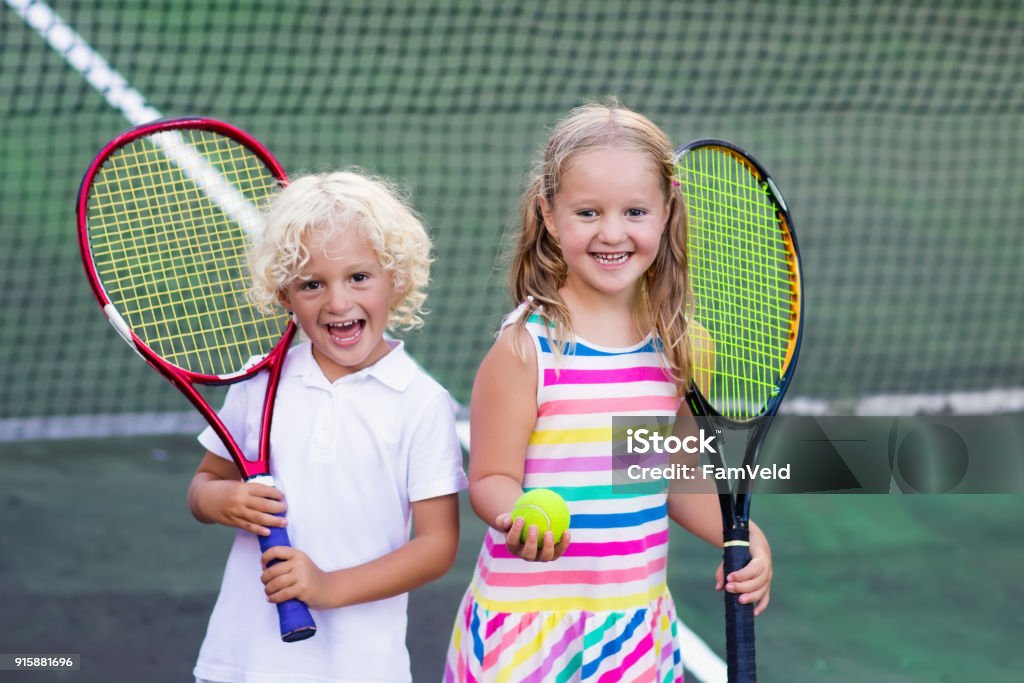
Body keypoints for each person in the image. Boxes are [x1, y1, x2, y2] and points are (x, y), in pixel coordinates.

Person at [444, 101, 773, 682]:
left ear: (668, 211)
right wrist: (516, 512)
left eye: (635, 211)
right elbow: (490, 478)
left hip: (631, 629)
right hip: (527, 625)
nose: (613, 232)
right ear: (549, 214)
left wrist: (741, 535)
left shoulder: (681, 349)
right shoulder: (527, 348)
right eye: (588, 212)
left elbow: (673, 477)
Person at [187, 171, 467, 683]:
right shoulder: (259, 384)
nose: (338, 303)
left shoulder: (422, 403)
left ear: (396, 279)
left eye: (359, 277)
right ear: (284, 295)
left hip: (361, 667)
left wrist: (327, 587)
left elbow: (436, 546)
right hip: (242, 662)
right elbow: (204, 487)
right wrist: (224, 502)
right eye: (312, 284)